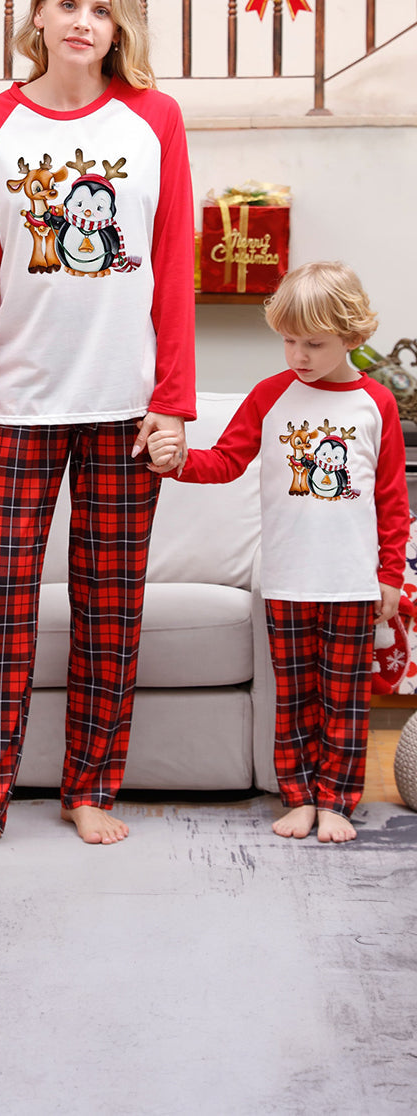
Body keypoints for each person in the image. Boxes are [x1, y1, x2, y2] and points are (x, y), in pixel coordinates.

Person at [0, 0, 195, 862]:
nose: (83, 21)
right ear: (37, 15)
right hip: (13, 407)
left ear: (120, 28)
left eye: (102, 9)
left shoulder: (156, 120)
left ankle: (90, 789)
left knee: (110, 607)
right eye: (68, 3)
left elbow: (173, 276)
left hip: (124, 406)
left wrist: (173, 402)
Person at [146, 261, 410, 843]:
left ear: (353, 337)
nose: (298, 355)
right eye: (289, 340)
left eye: (314, 343)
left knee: (344, 701)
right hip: (287, 580)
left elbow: (392, 502)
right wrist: (179, 462)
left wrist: (390, 575)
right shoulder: (270, 396)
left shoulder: (377, 405)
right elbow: (226, 461)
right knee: (293, 699)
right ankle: (298, 797)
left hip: (351, 584)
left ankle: (338, 800)